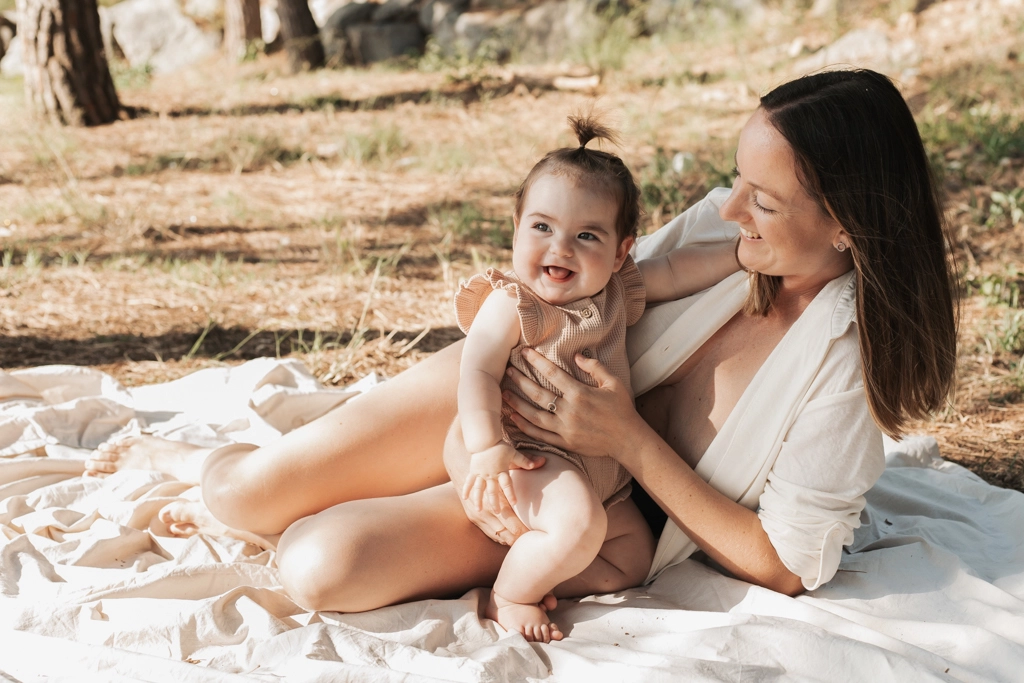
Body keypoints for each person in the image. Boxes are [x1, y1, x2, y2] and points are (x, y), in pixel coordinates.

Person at [83, 69, 958, 625]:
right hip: (499, 401)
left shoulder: (843, 368)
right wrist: (485, 415)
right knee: (246, 492)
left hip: (581, 499)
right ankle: (197, 462)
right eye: (739, 181)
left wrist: (625, 440)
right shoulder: (724, 249)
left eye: (762, 201)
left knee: (319, 564)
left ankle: (296, 499)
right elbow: (578, 287)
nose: (727, 208)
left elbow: (785, 564)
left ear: (845, 224)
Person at [453, 114, 740, 641]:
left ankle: (541, 567)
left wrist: (741, 254)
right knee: (579, 525)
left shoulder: (617, 289)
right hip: (536, 455)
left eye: (586, 235)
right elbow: (475, 371)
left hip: (605, 472)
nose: (560, 248)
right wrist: (486, 443)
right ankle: (511, 594)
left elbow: (677, 270)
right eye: (542, 227)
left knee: (633, 558)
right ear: (516, 227)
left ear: (621, 250)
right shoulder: (513, 302)